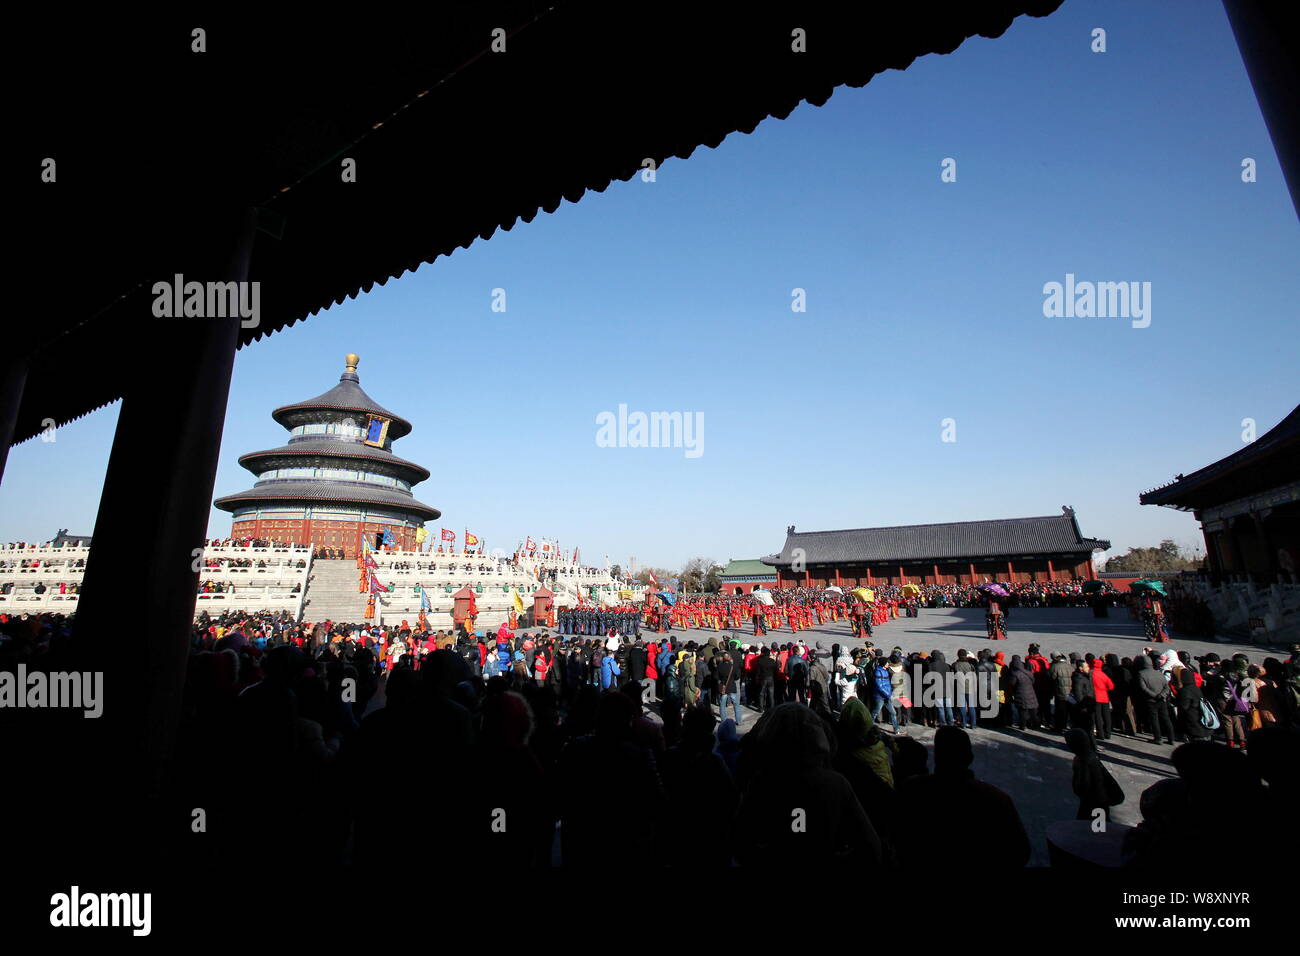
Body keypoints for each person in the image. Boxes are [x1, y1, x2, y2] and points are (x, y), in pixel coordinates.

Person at [1064, 728, 1123, 822]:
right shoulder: (1084, 758)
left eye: (1068, 742)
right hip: (1091, 802)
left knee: (1095, 830)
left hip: (1095, 804)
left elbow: (1091, 784)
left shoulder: (1086, 761)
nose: (1067, 745)